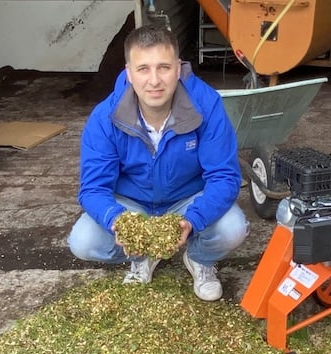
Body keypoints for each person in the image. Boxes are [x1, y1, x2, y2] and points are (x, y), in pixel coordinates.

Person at [68, 25, 249, 301]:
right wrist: (118, 221)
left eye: (163, 67)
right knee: (83, 242)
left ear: (178, 68)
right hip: (133, 204)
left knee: (233, 229)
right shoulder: (105, 117)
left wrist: (193, 219)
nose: (154, 81)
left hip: (187, 199)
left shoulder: (206, 105)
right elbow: (93, 189)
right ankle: (141, 255)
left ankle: (199, 258)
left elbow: (224, 176)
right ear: (129, 73)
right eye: (143, 69)